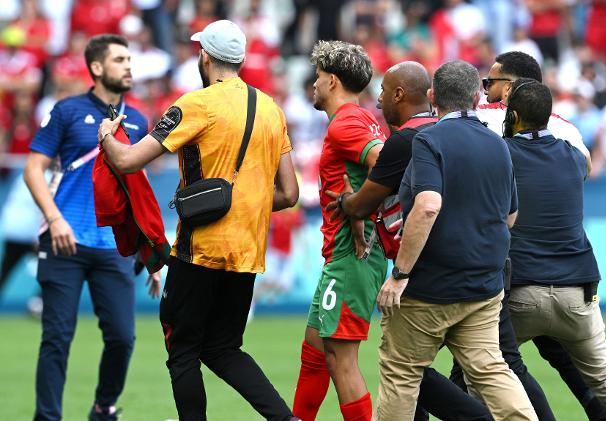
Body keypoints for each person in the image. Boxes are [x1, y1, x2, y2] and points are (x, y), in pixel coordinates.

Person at [96, 20, 300, 421]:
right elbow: (290, 194)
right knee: (224, 347)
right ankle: (285, 419)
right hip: (247, 252)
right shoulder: (271, 109)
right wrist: (246, 204)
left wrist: (107, 135)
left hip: (199, 248)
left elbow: (127, 160)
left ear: (204, 56)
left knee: (183, 349)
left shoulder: (196, 104)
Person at [326, 60, 547, 421]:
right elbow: (510, 215)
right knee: (492, 371)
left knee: (402, 373)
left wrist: (399, 275)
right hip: (484, 286)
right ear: (477, 97)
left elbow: (427, 206)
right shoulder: (498, 144)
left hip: (431, 287)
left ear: (432, 97)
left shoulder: (429, 139)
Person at [23, 34, 159, 421]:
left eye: (130, 59)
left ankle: (103, 408)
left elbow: (138, 191)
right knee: (56, 338)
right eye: (120, 59)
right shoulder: (66, 111)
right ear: (97, 68)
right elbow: (34, 170)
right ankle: (47, 417)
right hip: (64, 240)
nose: (129, 65)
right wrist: (54, 219)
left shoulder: (139, 120)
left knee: (122, 338)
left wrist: (149, 252)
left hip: (113, 246)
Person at [503, 78, 606, 421]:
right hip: (578, 292)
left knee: (482, 370)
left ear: (512, 117)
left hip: (522, 292)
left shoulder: (503, 155)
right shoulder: (571, 157)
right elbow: (584, 159)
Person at [475, 50, 606, 421]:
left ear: (512, 89)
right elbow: (581, 170)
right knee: (573, 363)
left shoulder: (480, 119)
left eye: (491, 82)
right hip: (565, 268)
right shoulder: (566, 129)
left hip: (510, 269)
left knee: (483, 365)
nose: (485, 90)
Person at [292, 40, 387, 421]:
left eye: (317, 77)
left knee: (339, 357)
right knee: (315, 349)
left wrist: (358, 207)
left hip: (352, 257)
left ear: (331, 80)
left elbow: (387, 165)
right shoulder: (363, 118)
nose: (313, 84)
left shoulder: (346, 123)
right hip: (345, 256)